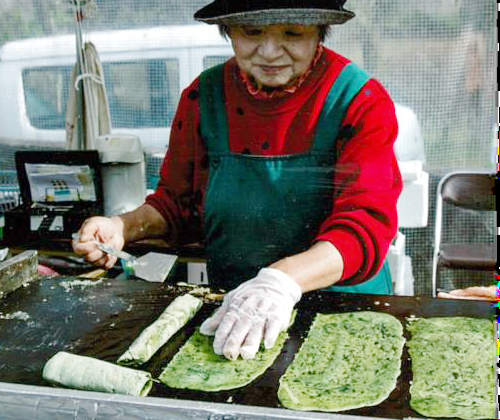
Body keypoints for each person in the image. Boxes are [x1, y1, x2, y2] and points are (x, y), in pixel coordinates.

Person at [72, 0, 402, 361]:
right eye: (252, 32)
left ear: (319, 32)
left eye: (292, 32)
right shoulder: (203, 97)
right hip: (236, 314)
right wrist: (121, 226)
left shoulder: (358, 100)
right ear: (228, 30)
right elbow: (177, 205)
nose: (270, 51)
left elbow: (365, 226)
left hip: (342, 313)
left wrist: (278, 282)